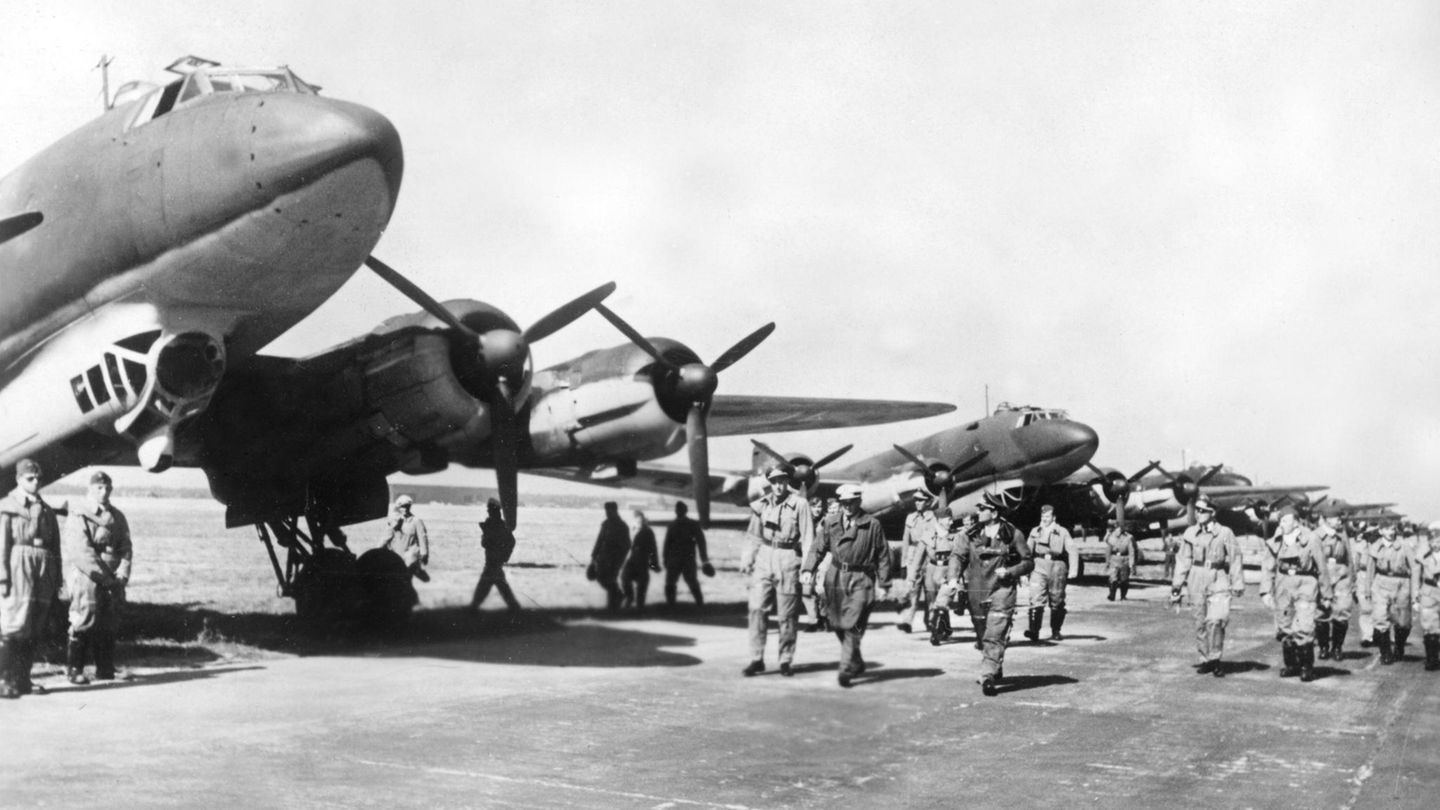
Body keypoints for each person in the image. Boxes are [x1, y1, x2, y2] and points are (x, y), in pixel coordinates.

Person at [801, 484, 891, 687]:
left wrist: (884, 583)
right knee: (837, 623)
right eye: (844, 503)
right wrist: (808, 569)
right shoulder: (830, 522)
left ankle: (845, 670)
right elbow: (817, 548)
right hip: (835, 576)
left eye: (852, 502)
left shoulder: (872, 524)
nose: (848, 507)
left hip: (861, 578)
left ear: (859, 501)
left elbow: (883, 555)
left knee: (852, 625)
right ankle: (856, 660)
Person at [947, 497, 1032, 696]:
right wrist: (953, 578)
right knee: (983, 634)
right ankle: (995, 663)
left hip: (1002, 589)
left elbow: (1028, 562)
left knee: (995, 633)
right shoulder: (969, 534)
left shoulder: (1012, 534)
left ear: (994, 513)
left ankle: (987, 676)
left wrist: (1011, 571)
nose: (979, 512)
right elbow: (957, 556)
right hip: (976, 589)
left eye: (984, 509)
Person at [740, 465, 814, 677]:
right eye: (774, 482)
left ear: (787, 482)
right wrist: (747, 558)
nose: (778, 486)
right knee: (756, 608)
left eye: (781, 481)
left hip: (788, 558)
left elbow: (808, 538)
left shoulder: (800, 504)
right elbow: (753, 535)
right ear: (769, 483)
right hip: (764, 556)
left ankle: (785, 659)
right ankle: (756, 658)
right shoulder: (761, 505)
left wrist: (808, 568)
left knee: (787, 614)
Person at [0, 458, 63, 698]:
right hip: (18, 568)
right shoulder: (7, 507)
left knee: (34, 627)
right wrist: (3, 578)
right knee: (13, 624)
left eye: (38, 478)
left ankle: (23, 679)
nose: (36, 482)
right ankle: (4, 680)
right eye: (30, 478)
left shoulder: (46, 510)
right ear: (18, 479)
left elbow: (56, 548)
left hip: (43, 569)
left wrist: (57, 580)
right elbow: (2, 546)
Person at [64, 471, 133, 685]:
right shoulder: (79, 515)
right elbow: (81, 552)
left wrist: (122, 573)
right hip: (87, 578)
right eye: (99, 488)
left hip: (113, 579)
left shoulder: (118, 517)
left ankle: (105, 668)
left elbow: (126, 548)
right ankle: (75, 669)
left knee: (109, 621)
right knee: (84, 619)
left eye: (107, 488)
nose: (104, 492)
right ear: (90, 489)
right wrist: (105, 578)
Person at [1170, 498, 1246, 676]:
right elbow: (1183, 560)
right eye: (1196, 510)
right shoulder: (1190, 532)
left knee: (1216, 620)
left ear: (1212, 513)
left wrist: (1237, 582)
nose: (1198, 513)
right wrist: (1176, 586)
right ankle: (1205, 659)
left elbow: (1235, 557)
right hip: (1196, 577)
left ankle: (1215, 658)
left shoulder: (1225, 533)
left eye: (1203, 510)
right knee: (1199, 622)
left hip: (1217, 576)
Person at [1259, 508, 1333, 682]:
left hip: (1305, 584)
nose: (1281, 524)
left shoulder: (1311, 538)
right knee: (1285, 627)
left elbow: (1322, 567)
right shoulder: (1276, 540)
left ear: (1296, 522)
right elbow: (1268, 567)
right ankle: (1291, 665)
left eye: (1285, 521)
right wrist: (1265, 591)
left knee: (1305, 626)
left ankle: (1307, 667)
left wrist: (1327, 595)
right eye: (1280, 521)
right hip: (1283, 585)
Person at [1364, 522, 1418, 665]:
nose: (1391, 532)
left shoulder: (1404, 546)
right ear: (1381, 531)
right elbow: (1370, 569)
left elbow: (1415, 567)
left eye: (1393, 529)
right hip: (1381, 582)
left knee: (1403, 622)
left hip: (1401, 583)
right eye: (1387, 529)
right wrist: (1367, 590)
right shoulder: (1375, 546)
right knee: (1380, 618)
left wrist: (1415, 591)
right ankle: (1385, 653)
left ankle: (1399, 646)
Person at [897, 490, 943, 634]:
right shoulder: (911, 518)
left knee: (930, 590)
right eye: (916, 500)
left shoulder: (934, 518)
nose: (917, 502)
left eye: (921, 500)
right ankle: (907, 621)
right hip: (913, 554)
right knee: (913, 589)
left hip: (929, 556)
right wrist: (903, 563)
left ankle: (930, 621)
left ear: (928, 502)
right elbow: (905, 540)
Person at [1025, 504, 1073, 641]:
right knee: (1035, 597)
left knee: (1057, 599)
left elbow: (1072, 550)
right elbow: (1028, 551)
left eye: (1047, 516)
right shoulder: (1035, 531)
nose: (1044, 519)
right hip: (1038, 565)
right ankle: (1034, 631)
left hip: (1057, 566)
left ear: (1054, 518)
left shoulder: (1063, 532)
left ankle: (1056, 631)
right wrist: (1024, 569)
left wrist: (1073, 570)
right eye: (1042, 516)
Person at [1314, 511, 1356, 660]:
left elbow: (1349, 559)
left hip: (1341, 578)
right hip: (1321, 577)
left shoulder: (1342, 535)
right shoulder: (1315, 536)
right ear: (1325, 519)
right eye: (1335, 517)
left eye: (1340, 518)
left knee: (1342, 611)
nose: (1339, 520)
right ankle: (1324, 647)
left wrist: (1352, 580)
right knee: (1321, 614)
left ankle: (1337, 647)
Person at [471, 498, 521, 614]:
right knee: (499, 584)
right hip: (494, 561)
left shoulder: (495, 525)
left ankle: (474, 606)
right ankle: (514, 606)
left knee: (486, 583)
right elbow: (509, 542)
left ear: (495, 511)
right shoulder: (498, 525)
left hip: (493, 561)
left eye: (489, 510)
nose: (488, 512)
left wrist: (504, 556)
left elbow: (486, 543)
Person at [663, 501, 711, 607]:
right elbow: (701, 542)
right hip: (687, 558)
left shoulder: (672, 525)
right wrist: (704, 559)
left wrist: (665, 560)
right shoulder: (692, 524)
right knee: (690, 581)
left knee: (671, 582)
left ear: (677, 511)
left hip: (676, 559)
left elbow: (666, 545)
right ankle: (699, 603)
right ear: (686, 511)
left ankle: (671, 605)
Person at [589, 502, 631, 612]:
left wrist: (619, 559)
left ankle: (612, 607)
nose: (607, 513)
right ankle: (618, 596)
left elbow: (627, 545)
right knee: (602, 578)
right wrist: (593, 557)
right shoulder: (605, 524)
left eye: (609, 510)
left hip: (615, 559)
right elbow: (599, 541)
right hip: (603, 558)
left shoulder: (622, 526)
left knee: (610, 579)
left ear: (615, 510)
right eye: (606, 510)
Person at [383, 494, 430, 582]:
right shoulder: (394, 522)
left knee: (406, 575)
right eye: (402, 507)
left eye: (406, 506)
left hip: (411, 554)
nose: (404, 509)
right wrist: (376, 550)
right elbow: (386, 537)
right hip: (397, 554)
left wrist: (424, 553)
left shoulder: (416, 521)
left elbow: (422, 538)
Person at [621, 509, 661, 611]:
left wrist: (654, 565)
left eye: (641, 521)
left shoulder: (647, 532)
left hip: (640, 562)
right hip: (634, 562)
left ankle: (634, 603)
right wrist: (654, 565)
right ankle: (631, 600)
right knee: (627, 580)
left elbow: (653, 550)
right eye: (638, 521)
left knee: (639, 588)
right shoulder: (634, 530)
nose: (640, 522)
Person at [1417, 525, 1440, 672]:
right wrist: (1415, 597)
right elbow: (1416, 576)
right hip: (1429, 591)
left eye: (1438, 540)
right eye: (1433, 541)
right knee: (1429, 626)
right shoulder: (1422, 556)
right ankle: (1432, 659)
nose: (1436, 544)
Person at [1103, 519, 1138, 601]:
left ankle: (1123, 595)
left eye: (1118, 528)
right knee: (1113, 577)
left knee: (1124, 579)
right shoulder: (1112, 536)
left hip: (1124, 559)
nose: (1117, 530)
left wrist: (1131, 564)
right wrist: (1108, 533)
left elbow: (1131, 551)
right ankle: (1112, 595)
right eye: (1115, 528)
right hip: (1114, 559)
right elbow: (1106, 541)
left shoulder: (1129, 537)